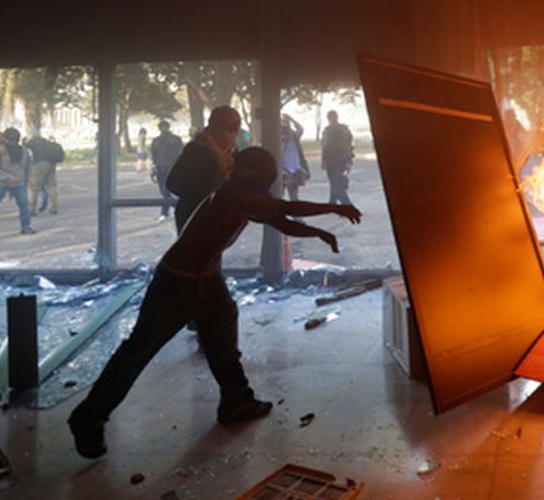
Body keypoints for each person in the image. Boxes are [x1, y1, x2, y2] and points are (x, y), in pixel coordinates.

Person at [68, 146, 361, 459]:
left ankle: (236, 400)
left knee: (222, 334)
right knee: (138, 350)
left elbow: (281, 220)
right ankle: (88, 418)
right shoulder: (234, 194)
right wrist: (336, 209)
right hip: (177, 283)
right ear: (254, 173)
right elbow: (287, 207)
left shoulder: (239, 194)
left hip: (205, 280)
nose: (272, 176)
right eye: (269, 170)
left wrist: (319, 233)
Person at [166, 106, 241, 235]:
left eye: (236, 127)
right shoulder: (196, 150)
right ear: (216, 127)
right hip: (194, 215)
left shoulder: (230, 152)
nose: (236, 132)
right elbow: (173, 183)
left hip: (215, 215)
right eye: (232, 127)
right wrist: (210, 189)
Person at [0, 127, 35, 239]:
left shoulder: (23, 150)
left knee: (24, 206)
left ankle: (26, 227)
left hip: (19, 183)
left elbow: (28, 166)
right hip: (0, 184)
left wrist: (26, 179)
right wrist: (7, 177)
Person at [150, 120, 184, 223]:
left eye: (165, 127)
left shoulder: (176, 139)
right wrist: (154, 166)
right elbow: (154, 154)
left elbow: (180, 153)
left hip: (171, 168)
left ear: (168, 127)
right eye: (161, 127)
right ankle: (179, 207)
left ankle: (164, 212)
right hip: (160, 168)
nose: (163, 129)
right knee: (163, 191)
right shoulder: (156, 141)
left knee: (165, 191)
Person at [320, 110, 354, 206]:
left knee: (336, 183)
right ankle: (332, 203)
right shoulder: (345, 129)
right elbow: (351, 143)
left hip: (332, 160)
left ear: (329, 118)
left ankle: (348, 205)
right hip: (343, 159)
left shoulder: (328, 130)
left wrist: (323, 160)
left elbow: (326, 146)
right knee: (335, 181)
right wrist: (349, 155)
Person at [25, 131, 63, 215]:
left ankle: (32, 209)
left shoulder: (32, 141)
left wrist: (24, 141)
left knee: (33, 187)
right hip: (52, 163)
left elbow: (24, 148)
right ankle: (53, 207)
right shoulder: (46, 142)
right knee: (51, 186)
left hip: (40, 164)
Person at [279, 114, 310, 201]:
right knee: (279, 195)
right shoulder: (278, 138)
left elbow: (300, 129)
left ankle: (295, 212)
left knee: (294, 196)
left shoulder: (294, 138)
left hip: (294, 169)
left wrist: (291, 119)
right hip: (282, 170)